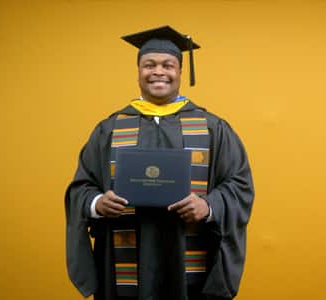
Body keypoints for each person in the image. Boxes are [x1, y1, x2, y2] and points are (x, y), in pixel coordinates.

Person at [65, 25, 254, 300]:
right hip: (124, 263)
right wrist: (96, 204)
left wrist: (209, 206)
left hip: (192, 262)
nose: (158, 72)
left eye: (168, 65)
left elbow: (240, 186)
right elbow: (81, 188)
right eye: (148, 65)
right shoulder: (110, 128)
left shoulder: (211, 127)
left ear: (180, 72)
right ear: (138, 72)